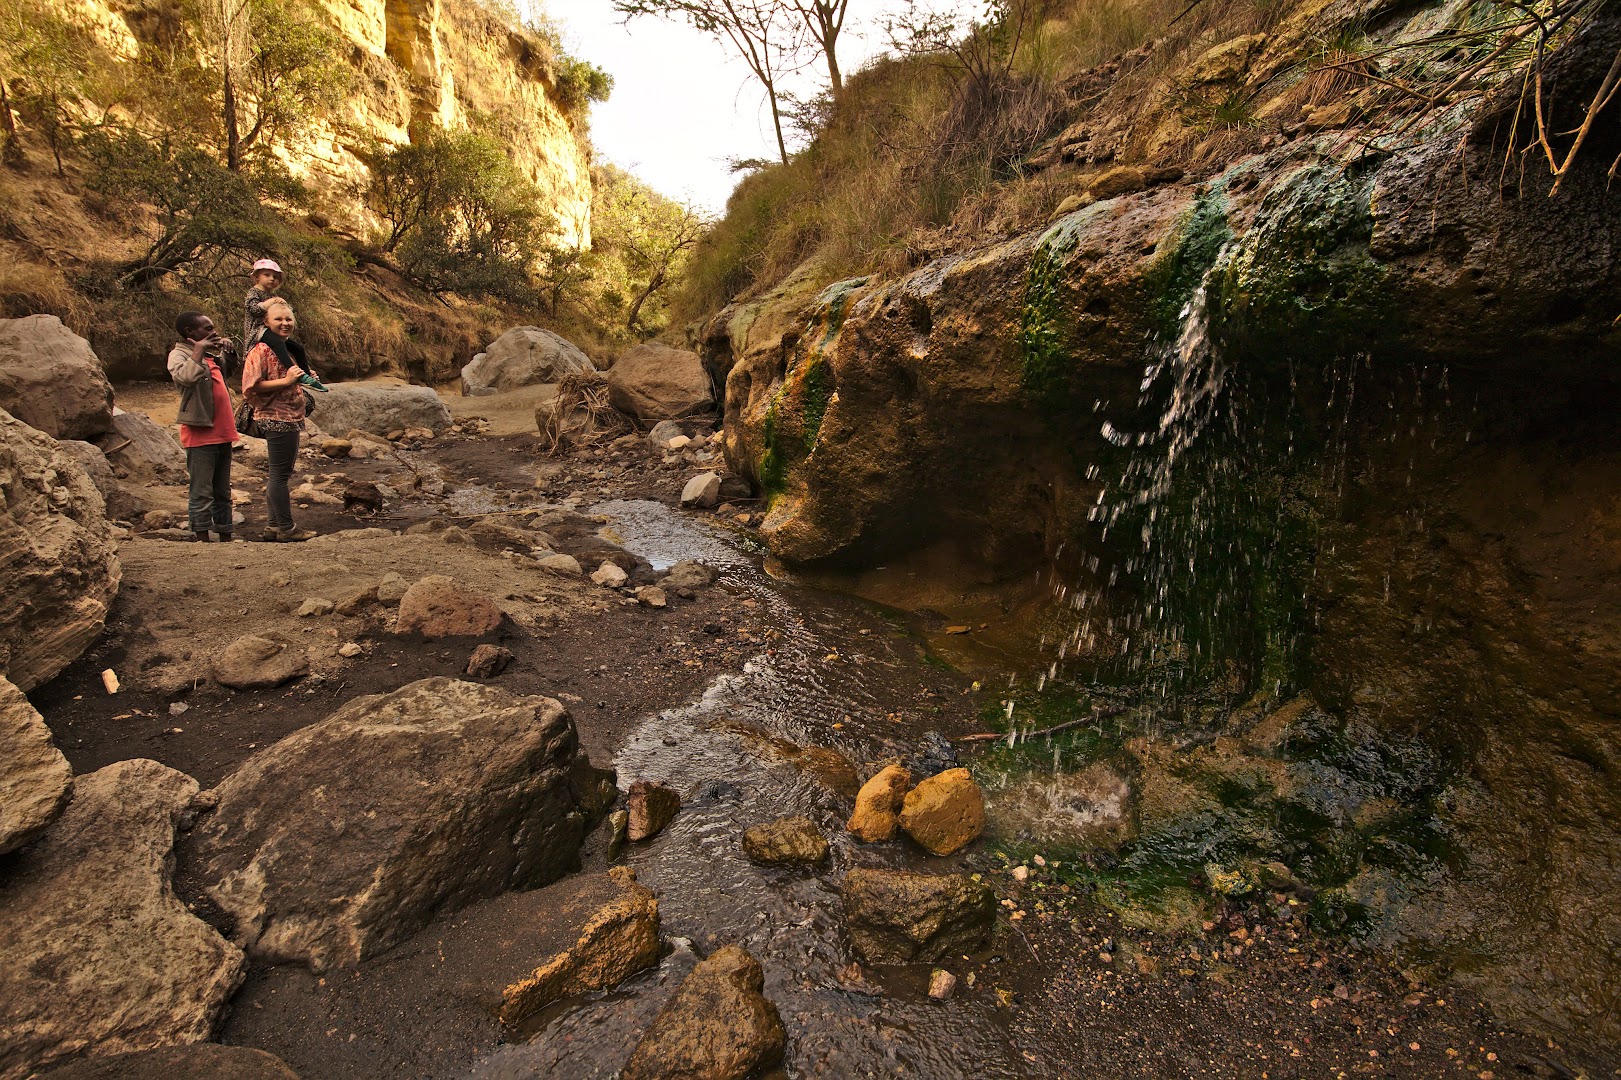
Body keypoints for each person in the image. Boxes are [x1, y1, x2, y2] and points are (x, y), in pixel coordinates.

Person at [241, 297, 316, 542]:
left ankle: (273, 526)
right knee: (279, 476)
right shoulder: (261, 349)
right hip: (277, 416)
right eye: (278, 319)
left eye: (288, 319)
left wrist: (304, 375)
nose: (284, 323)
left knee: (277, 474)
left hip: (288, 415)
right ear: (265, 321)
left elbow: (292, 375)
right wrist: (286, 382)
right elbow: (251, 386)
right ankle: (287, 528)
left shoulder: (284, 348)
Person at [166, 311, 239, 542]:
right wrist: (198, 350)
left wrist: (229, 353)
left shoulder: (209, 356)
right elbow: (186, 378)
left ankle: (225, 534)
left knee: (222, 490)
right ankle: (202, 538)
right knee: (201, 490)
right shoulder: (178, 355)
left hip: (222, 432)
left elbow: (227, 374)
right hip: (200, 433)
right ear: (190, 332)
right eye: (207, 329)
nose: (213, 332)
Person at [243, 257, 283, 350]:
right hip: (257, 331)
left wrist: (283, 305)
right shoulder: (253, 292)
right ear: (257, 277)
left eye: (275, 277)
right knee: (278, 343)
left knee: (297, 348)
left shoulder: (273, 295)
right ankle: (289, 365)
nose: (272, 279)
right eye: (267, 275)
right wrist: (270, 302)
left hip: (271, 330)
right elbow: (254, 310)